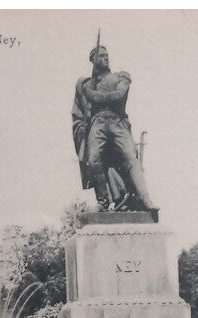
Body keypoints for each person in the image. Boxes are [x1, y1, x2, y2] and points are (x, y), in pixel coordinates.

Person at [71, 45, 158, 213]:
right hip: (97, 123)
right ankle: (102, 201)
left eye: (107, 55)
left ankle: (146, 199)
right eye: (101, 56)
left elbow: (118, 96)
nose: (106, 58)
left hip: (118, 122)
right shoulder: (85, 83)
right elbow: (78, 113)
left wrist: (92, 95)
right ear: (93, 60)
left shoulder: (121, 77)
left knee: (131, 157)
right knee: (93, 159)